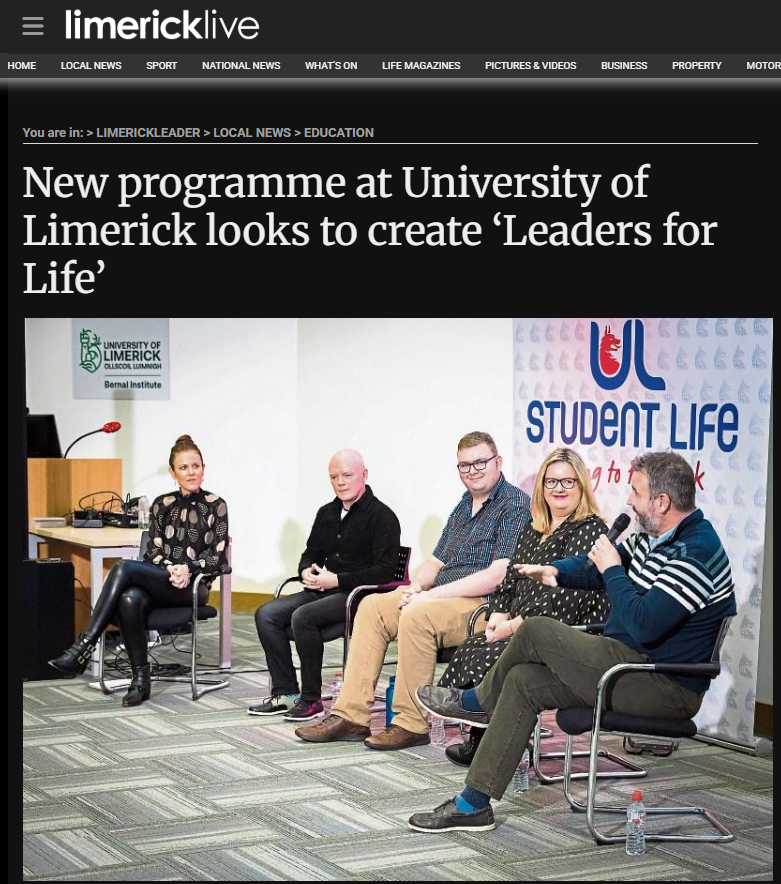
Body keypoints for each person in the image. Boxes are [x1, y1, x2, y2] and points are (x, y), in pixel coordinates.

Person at [411, 451, 736, 832]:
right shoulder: (656, 537)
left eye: (635, 492)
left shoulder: (695, 551)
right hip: (623, 663)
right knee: (522, 682)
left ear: (661, 502)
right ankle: (473, 804)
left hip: (661, 683)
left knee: (536, 629)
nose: (628, 500)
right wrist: (555, 571)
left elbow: (644, 624)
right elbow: (591, 570)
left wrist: (613, 567)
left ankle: (476, 701)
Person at [295, 431, 531, 750]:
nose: (472, 471)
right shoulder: (464, 504)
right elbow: (436, 560)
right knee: (373, 607)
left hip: (484, 606)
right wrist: (415, 586)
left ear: (498, 462)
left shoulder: (514, 504)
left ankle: (410, 723)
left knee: (418, 614)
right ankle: (350, 715)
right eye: (464, 465)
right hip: (441, 598)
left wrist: (428, 596)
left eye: (480, 462)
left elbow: (497, 575)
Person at [440, 447, 609, 767]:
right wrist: (498, 615)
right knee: (477, 642)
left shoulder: (590, 530)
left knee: (494, 652)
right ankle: (481, 735)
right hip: (523, 622)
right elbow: (509, 580)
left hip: (567, 632)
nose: (558, 489)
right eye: (551, 482)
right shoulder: (533, 528)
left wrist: (512, 627)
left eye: (568, 482)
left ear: (582, 486)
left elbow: (564, 604)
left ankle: (490, 738)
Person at [48, 435, 230, 708]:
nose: (191, 472)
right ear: (172, 472)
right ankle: (140, 681)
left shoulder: (217, 505)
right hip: (164, 581)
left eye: (195, 466)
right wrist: (171, 569)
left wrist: (188, 569)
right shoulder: (161, 504)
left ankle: (84, 646)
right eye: (183, 467)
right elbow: (153, 552)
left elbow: (217, 557)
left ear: (204, 468)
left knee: (123, 567)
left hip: (195, 587)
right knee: (129, 598)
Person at [249, 449, 401, 722]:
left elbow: (386, 571)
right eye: (334, 477)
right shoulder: (327, 513)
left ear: (363, 475)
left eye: (347, 475)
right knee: (266, 614)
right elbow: (311, 553)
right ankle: (286, 694)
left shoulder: (382, 517)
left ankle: (311, 700)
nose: (340, 482)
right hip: (321, 591)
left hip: (358, 596)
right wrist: (305, 569)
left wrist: (338, 580)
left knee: (302, 617)